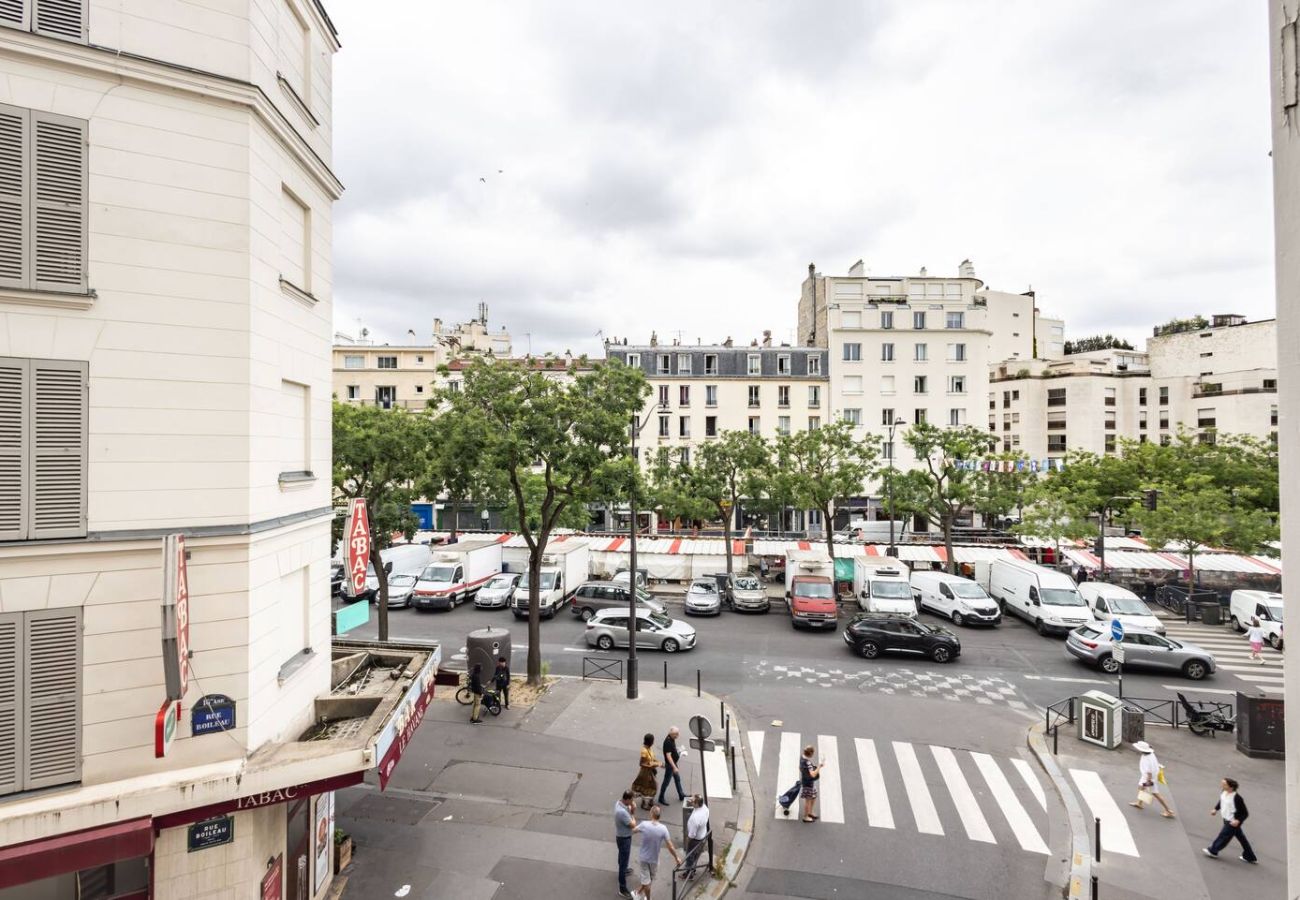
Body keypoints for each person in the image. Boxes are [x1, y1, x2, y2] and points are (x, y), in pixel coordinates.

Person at [1204, 777, 1257, 863]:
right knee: (1242, 838)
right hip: (1226, 819)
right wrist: (1215, 809)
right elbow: (1221, 801)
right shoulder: (1224, 792)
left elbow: (1245, 813)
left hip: (1232, 822)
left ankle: (1213, 851)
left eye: (1224, 784)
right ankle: (1250, 856)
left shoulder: (1237, 798)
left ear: (1231, 787)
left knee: (1223, 836)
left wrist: (1238, 821)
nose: (1222, 785)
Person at [635, 805, 681, 900]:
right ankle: (639, 893)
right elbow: (670, 846)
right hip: (654, 860)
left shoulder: (644, 824)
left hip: (643, 858)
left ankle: (646, 898)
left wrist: (631, 815)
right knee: (648, 880)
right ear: (659, 816)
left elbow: (633, 830)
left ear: (651, 813)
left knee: (647, 881)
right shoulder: (663, 829)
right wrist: (676, 858)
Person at [1128, 741, 1174, 818]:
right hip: (1152, 776)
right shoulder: (1151, 754)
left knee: (1154, 793)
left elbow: (1148, 772)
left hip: (1149, 778)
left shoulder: (1146, 759)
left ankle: (1168, 810)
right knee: (1141, 788)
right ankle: (1139, 803)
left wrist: (1148, 782)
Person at [614, 790, 639, 898]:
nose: (633, 801)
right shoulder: (622, 812)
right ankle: (622, 888)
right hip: (624, 838)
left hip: (621, 836)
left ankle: (623, 870)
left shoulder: (619, 803)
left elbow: (627, 809)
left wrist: (631, 807)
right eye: (632, 800)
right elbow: (633, 825)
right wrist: (633, 813)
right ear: (627, 799)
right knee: (623, 862)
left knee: (622, 856)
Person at [683, 794, 709, 878]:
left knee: (690, 855)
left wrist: (687, 841)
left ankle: (689, 874)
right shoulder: (705, 808)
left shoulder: (695, 818)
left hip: (694, 840)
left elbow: (692, 834)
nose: (690, 801)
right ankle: (693, 869)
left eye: (692, 801)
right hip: (702, 836)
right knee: (695, 855)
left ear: (697, 804)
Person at [658, 726, 686, 806]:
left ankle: (681, 794)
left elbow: (671, 751)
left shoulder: (671, 739)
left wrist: (678, 750)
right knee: (666, 782)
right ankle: (661, 797)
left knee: (677, 779)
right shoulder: (668, 742)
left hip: (673, 764)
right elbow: (668, 756)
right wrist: (674, 767)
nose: (678, 735)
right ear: (672, 734)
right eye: (676, 734)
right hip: (670, 765)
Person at [632, 733, 660, 810]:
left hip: (650, 771)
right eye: (653, 741)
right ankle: (644, 804)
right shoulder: (644, 751)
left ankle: (650, 801)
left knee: (652, 786)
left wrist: (658, 763)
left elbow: (652, 758)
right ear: (650, 742)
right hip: (645, 773)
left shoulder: (649, 748)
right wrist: (652, 765)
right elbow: (641, 763)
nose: (653, 743)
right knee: (646, 788)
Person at [799, 744, 826, 823]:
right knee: (808, 800)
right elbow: (813, 774)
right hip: (808, 783)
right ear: (810, 754)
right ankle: (806, 817)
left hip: (806, 781)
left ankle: (810, 812)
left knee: (813, 797)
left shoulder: (802, 757)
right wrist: (819, 766)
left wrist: (804, 773)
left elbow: (800, 768)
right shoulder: (808, 763)